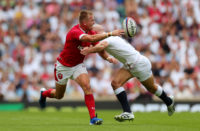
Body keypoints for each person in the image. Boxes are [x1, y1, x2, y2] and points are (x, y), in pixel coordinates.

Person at [39, 10, 124, 125]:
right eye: (92, 20)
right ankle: (44, 94)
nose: (94, 22)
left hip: (78, 66)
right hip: (63, 66)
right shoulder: (75, 32)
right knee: (59, 95)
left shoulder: (91, 32)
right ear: (84, 22)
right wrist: (110, 33)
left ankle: (93, 118)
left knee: (87, 87)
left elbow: (98, 48)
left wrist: (108, 58)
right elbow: (90, 39)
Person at [81, 24, 175, 122]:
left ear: (95, 33)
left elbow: (101, 46)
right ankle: (128, 112)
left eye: (91, 32)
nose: (90, 35)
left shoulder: (107, 39)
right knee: (115, 83)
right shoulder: (108, 37)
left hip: (139, 64)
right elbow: (100, 49)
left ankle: (168, 101)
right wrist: (107, 57)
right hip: (130, 65)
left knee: (151, 87)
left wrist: (89, 50)